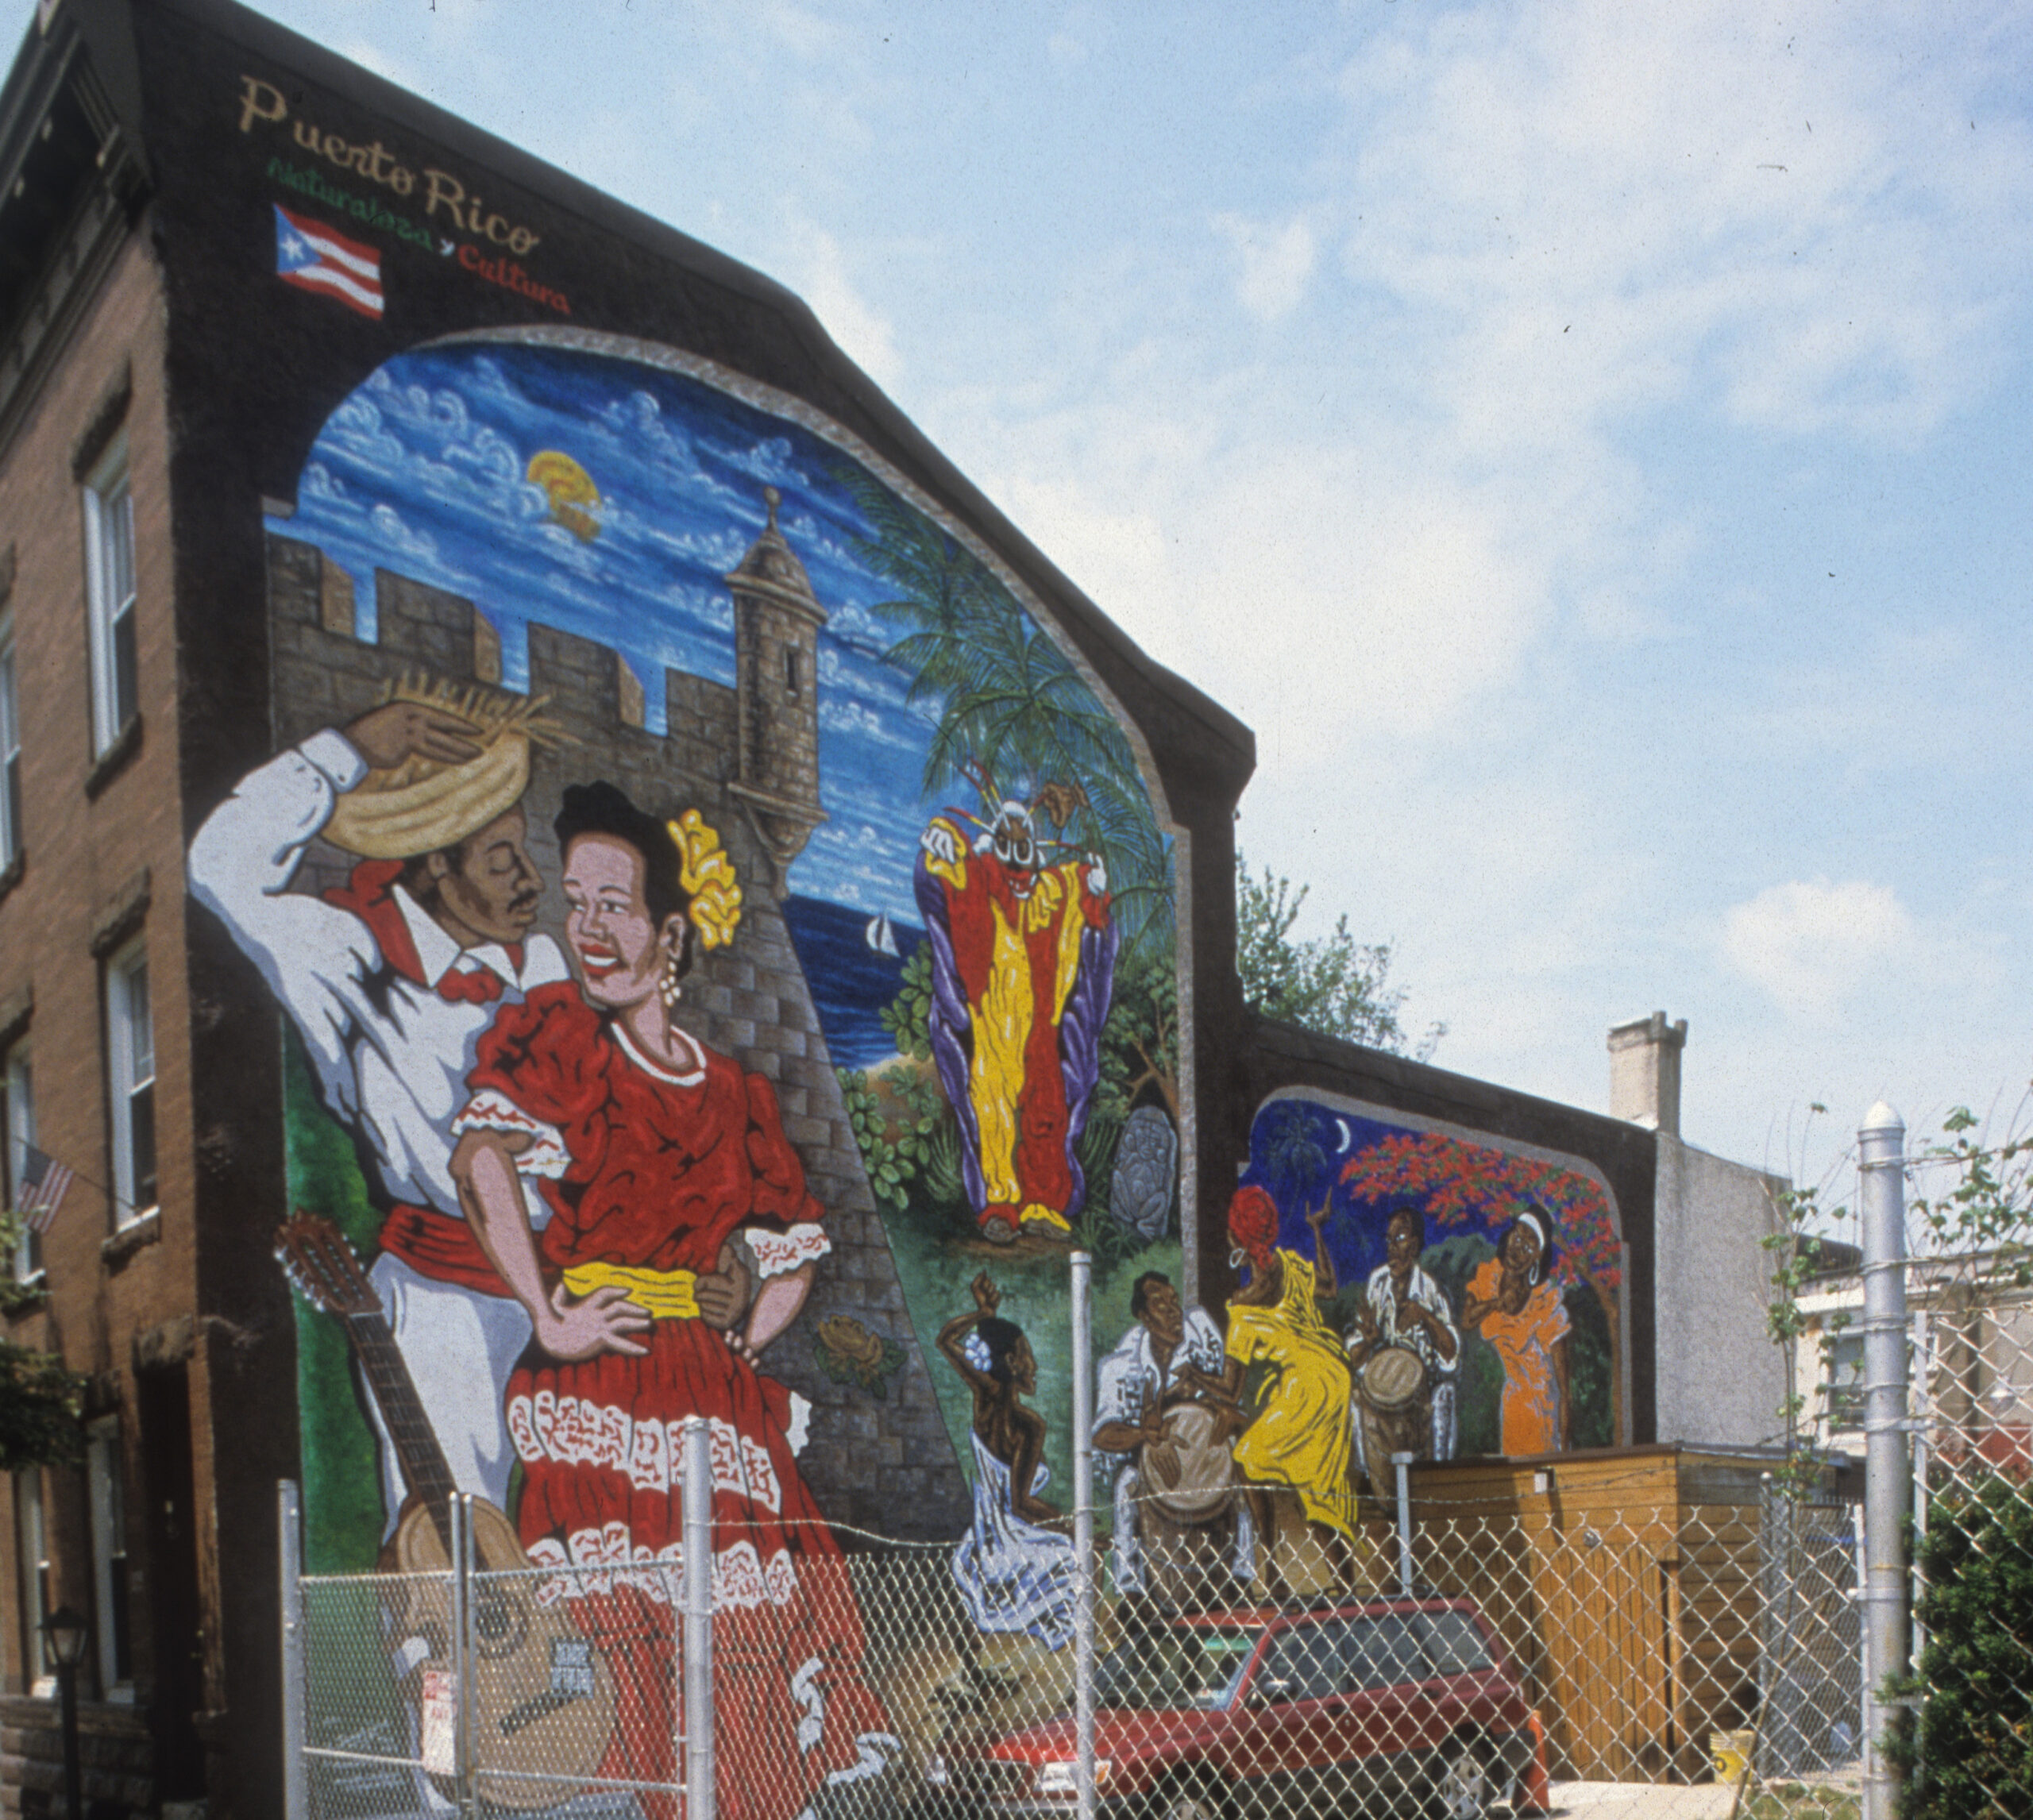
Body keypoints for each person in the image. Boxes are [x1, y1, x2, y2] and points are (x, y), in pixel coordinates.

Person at [446, 781, 889, 1820]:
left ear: (671, 933)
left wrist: (748, 1334)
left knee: (740, 1638)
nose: (589, 928)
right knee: (620, 1637)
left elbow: (792, 1250)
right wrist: (551, 1314)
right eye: (576, 900)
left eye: (616, 905)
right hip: (602, 1381)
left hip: (712, 1395)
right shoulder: (564, 1038)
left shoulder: (736, 1093)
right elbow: (479, 1162)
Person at [188, 686, 728, 1533]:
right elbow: (219, 869)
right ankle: (437, 1674)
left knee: (620, 1532)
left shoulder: (551, 961)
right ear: (435, 865)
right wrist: (347, 749)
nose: (528, 878)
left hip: (589, 1288)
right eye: (498, 856)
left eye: (523, 850)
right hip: (451, 1300)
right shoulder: (346, 955)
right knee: (460, 1553)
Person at [915, 797, 1117, 1243]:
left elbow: (1081, 889)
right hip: (993, 1024)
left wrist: (1096, 886)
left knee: (1047, 1116)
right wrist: (940, 842)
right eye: (1006, 843)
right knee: (994, 1114)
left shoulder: (1049, 888)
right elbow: (952, 854)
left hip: (1041, 1032)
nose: (1015, 853)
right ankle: (1000, 1205)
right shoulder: (983, 877)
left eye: (1023, 845)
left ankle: (1043, 1204)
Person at [1217, 1187, 1361, 1591]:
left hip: (1306, 1384)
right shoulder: (1292, 1264)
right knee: (1318, 1487)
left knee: (1247, 1460)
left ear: (1235, 1238)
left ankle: (1273, 1569)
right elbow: (1330, 1285)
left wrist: (1193, 1377)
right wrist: (1317, 1230)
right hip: (1333, 1376)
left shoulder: (1244, 1305)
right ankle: (1344, 1583)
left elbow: (1230, 1388)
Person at [937, 1271, 1078, 1648]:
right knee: (1073, 1560)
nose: (1034, 1366)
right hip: (1009, 1536)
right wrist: (1071, 1527)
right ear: (1012, 1362)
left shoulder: (984, 1399)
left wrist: (981, 1314)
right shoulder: (1027, 1425)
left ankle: (979, 1664)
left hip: (984, 1534)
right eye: (1027, 1356)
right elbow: (1021, 1505)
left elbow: (945, 1339)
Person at [1092, 1271, 1252, 1594]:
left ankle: (1242, 1575)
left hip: (1196, 1451)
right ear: (1144, 1318)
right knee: (1126, 1485)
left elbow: (1238, 1413)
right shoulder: (1121, 1367)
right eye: (1160, 1305)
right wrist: (1146, 1438)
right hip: (1145, 1459)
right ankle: (1130, 1589)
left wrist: (1226, 1415)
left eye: (1174, 1301)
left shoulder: (1203, 1345)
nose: (1173, 1311)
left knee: (1241, 1471)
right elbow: (1103, 1435)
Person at [1346, 1206, 1461, 1481]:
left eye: (1400, 1238)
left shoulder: (1430, 1290)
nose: (1392, 1248)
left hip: (1421, 1402)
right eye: (1389, 1240)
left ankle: (1439, 1477)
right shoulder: (1377, 1283)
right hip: (1384, 1401)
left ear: (1416, 1244)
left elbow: (1451, 1352)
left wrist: (1424, 1316)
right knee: (1355, 1397)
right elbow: (1355, 1355)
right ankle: (1368, 1478)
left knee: (1445, 1394)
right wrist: (1370, 1342)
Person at [1461, 1209, 1572, 1455]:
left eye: (1529, 1246)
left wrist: (1565, 1452)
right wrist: (1497, 1304)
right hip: (1514, 1404)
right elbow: (1467, 1319)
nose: (1518, 1248)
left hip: (1543, 1409)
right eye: (1518, 1237)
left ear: (1538, 1257)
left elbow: (1564, 1390)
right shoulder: (1490, 1276)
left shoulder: (1544, 1304)